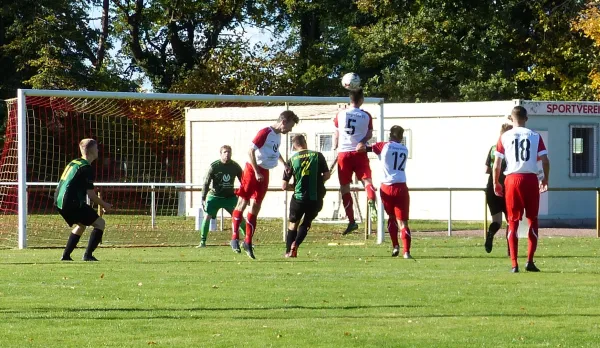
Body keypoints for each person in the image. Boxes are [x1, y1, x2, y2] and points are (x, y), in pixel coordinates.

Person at [231, 110, 299, 259]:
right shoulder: (264, 132)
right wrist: (256, 171)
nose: (290, 130)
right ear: (284, 122)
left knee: (256, 206)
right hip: (252, 170)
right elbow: (250, 151)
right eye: (290, 126)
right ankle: (234, 237)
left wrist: (283, 164)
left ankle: (248, 241)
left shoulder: (278, 136)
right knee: (242, 203)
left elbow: (275, 151)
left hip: (265, 171)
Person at [493, 106, 550, 273]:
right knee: (533, 220)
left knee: (513, 222)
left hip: (512, 179)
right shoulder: (535, 136)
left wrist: (496, 182)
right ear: (527, 118)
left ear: (511, 119)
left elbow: (497, 164)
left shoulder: (504, 137)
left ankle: (514, 263)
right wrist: (545, 178)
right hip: (530, 179)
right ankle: (530, 261)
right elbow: (545, 160)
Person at [55, 138, 112, 261]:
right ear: (91, 151)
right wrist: (104, 205)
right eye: (96, 148)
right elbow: (91, 195)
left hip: (59, 201)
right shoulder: (86, 168)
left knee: (81, 224)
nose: (98, 150)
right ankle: (88, 255)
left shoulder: (74, 163)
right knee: (100, 223)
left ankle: (66, 256)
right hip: (71, 202)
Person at [362, 126, 412, 258]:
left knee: (391, 217)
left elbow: (363, 148)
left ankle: (395, 245)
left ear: (390, 135)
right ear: (401, 137)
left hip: (386, 187)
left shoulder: (384, 145)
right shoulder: (405, 149)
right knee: (403, 222)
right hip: (401, 186)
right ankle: (406, 252)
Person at [333, 88, 378, 235]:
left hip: (343, 154)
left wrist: (335, 146)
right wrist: (363, 141)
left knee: (344, 187)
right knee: (367, 181)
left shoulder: (340, 114)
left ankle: (351, 221)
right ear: (361, 100)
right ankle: (372, 201)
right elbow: (370, 133)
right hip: (360, 152)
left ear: (349, 99)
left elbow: (336, 132)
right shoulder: (366, 116)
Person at [282, 134, 331, 258]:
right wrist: (318, 182)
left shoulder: (292, 160)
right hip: (315, 198)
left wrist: (294, 186)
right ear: (305, 142)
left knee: (293, 224)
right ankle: (296, 244)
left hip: (298, 198)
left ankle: (288, 252)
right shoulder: (317, 155)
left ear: (294, 146)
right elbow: (326, 175)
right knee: (307, 222)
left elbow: (284, 185)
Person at [197, 145, 245, 248]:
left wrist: (245, 195)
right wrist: (203, 197)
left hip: (230, 198)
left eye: (229, 152)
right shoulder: (214, 166)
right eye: (225, 152)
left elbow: (244, 181)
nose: (227, 154)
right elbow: (206, 182)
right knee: (207, 216)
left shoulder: (235, 166)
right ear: (221, 154)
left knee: (239, 217)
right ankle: (202, 242)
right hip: (215, 197)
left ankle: (248, 241)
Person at [484, 124, 513, 255]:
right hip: (507, 187)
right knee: (511, 221)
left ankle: (490, 234)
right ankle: (510, 249)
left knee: (496, 221)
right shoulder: (511, 149)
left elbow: (487, 169)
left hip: (491, 187)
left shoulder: (492, 148)